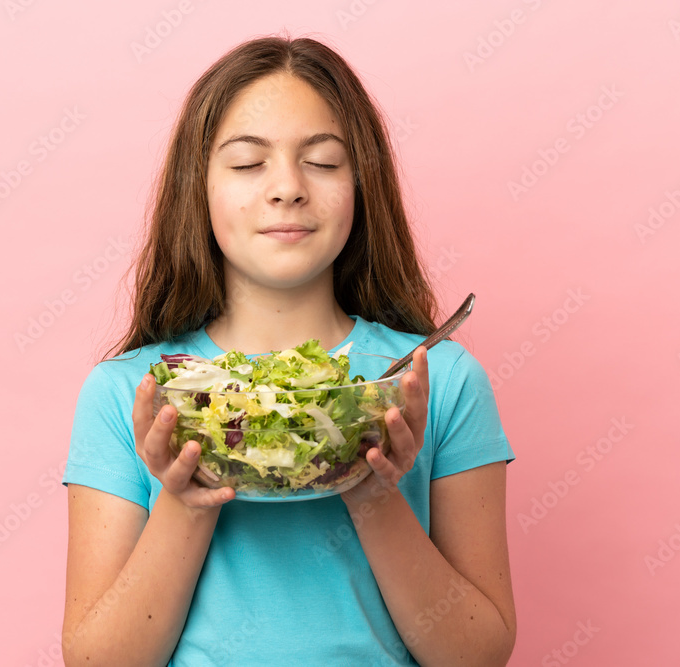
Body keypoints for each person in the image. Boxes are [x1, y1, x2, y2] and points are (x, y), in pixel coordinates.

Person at [61, 33, 516, 667]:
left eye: (324, 162)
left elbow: (478, 654)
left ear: (363, 184)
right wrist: (185, 500)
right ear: (199, 187)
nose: (287, 189)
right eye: (248, 164)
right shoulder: (128, 392)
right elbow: (98, 660)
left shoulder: (437, 379)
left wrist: (370, 489)